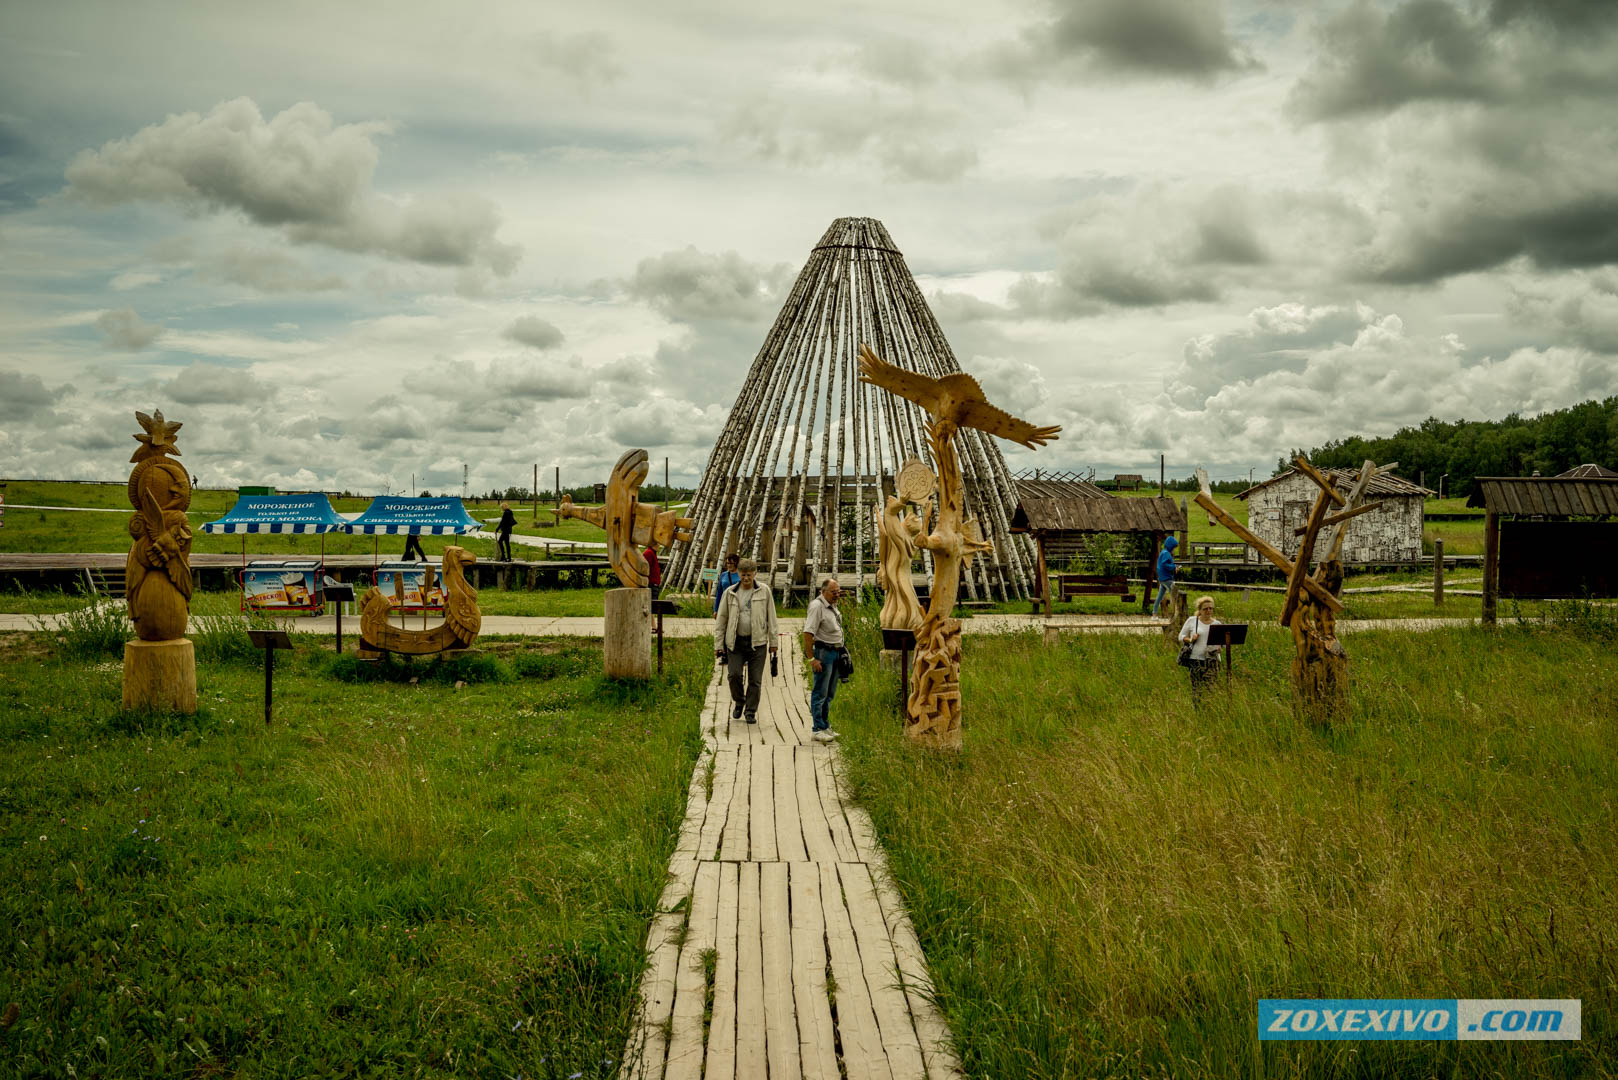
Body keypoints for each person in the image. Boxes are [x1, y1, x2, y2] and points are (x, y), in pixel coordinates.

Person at [714, 558, 777, 723]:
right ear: (738, 574)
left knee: (755, 680)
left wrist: (774, 643)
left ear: (755, 574)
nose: (746, 578)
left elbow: (772, 618)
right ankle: (739, 701)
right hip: (735, 642)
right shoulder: (730, 592)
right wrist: (718, 645)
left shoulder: (764, 591)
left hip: (758, 643)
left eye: (749, 575)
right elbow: (721, 619)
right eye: (743, 575)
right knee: (733, 675)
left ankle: (750, 711)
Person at [802, 577, 845, 743]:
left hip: (835, 652)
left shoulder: (832, 606)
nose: (837, 595)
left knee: (829, 693)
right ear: (823, 591)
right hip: (823, 653)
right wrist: (812, 658)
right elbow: (808, 633)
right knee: (820, 692)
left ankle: (825, 725)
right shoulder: (817, 607)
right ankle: (817, 729)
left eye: (838, 592)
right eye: (833, 592)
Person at [1178, 595, 1223, 698]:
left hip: (1212, 659)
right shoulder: (1192, 621)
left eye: (1210, 608)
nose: (1208, 611)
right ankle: (1197, 710)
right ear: (1200, 610)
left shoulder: (1217, 623)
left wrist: (1219, 647)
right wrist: (1190, 640)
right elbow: (1181, 636)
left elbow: (1223, 642)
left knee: (1211, 688)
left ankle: (1208, 710)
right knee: (1196, 688)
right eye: (1205, 609)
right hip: (1195, 659)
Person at [1153, 535, 1179, 617]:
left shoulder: (1162, 552)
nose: (1174, 549)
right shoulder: (1166, 554)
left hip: (1162, 578)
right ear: (1171, 546)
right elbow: (1164, 565)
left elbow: (1163, 564)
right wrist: (1174, 567)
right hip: (1167, 578)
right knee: (1175, 595)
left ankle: (1154, 614)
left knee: (1159, 597)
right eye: (1174, 547)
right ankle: (1175, 613)